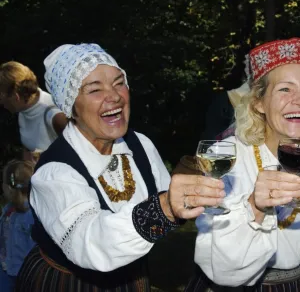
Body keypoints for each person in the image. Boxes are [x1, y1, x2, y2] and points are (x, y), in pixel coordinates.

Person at [15, 43, 225, 292]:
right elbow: (92, 244)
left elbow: (169, 201)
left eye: (119, 83)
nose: (114, 96)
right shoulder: (55, 173)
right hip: (67, 284)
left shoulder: (140, 145)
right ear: (71, 106)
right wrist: (166, 207)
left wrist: (190, 194)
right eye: (94, 89)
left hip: (132, 279)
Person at [185, 37, 300, 291]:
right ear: (258, 102)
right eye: (285, 89)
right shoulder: (224, 156)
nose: (298, 99)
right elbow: (223, 267)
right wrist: (255, 206)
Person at [0, 61, 68, 156]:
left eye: (1, 98)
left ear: (16, 97)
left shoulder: (56, 117)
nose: (1, 103)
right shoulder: (24, 109)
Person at [0, 160, 36, 292]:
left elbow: (35, 248)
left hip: (23, 273)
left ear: (8, 188)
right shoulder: (9, 209)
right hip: (5, 269)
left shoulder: (30, 215)